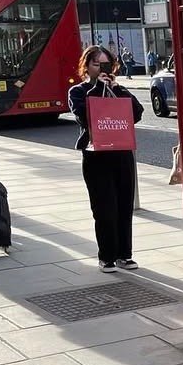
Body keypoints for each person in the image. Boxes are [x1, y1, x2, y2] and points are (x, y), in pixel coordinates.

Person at [68, 46, 144, 272]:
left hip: (122, 154)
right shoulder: (78, 91)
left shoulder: (117, 89)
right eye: (96, 64)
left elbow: (137, 113)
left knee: (123, 206)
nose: (102, 69)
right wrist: (98, 87)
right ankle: (107, 256)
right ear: (86, 67)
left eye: (106, 64)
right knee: (104, 208)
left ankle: (125, 254)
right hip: (96, 156)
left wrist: (117, 89)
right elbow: (84, 115)